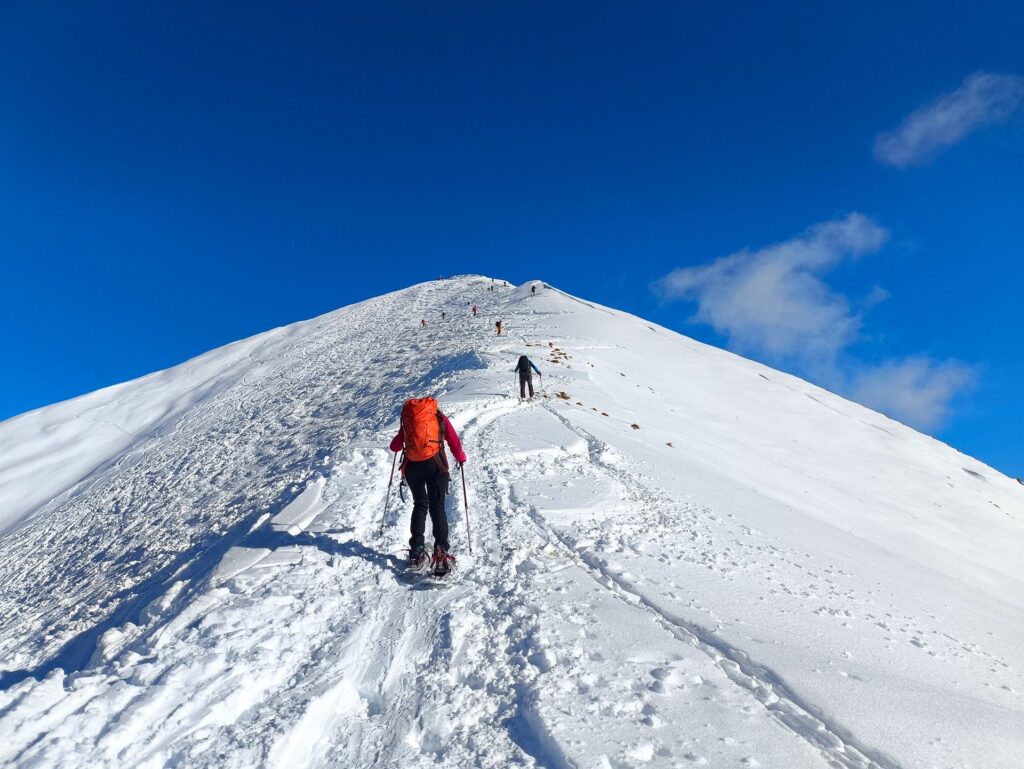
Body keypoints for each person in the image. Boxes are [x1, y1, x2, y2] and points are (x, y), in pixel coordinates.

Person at [390, 398, 467, 576]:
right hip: (436, 465)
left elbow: (394, 446)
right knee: (437, 507)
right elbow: (453, 441)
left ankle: (417, 549)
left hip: (412, 468)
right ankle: (441, 551)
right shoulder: (438, 417)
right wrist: (461, 457)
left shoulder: (409, 420)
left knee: (420, 504)